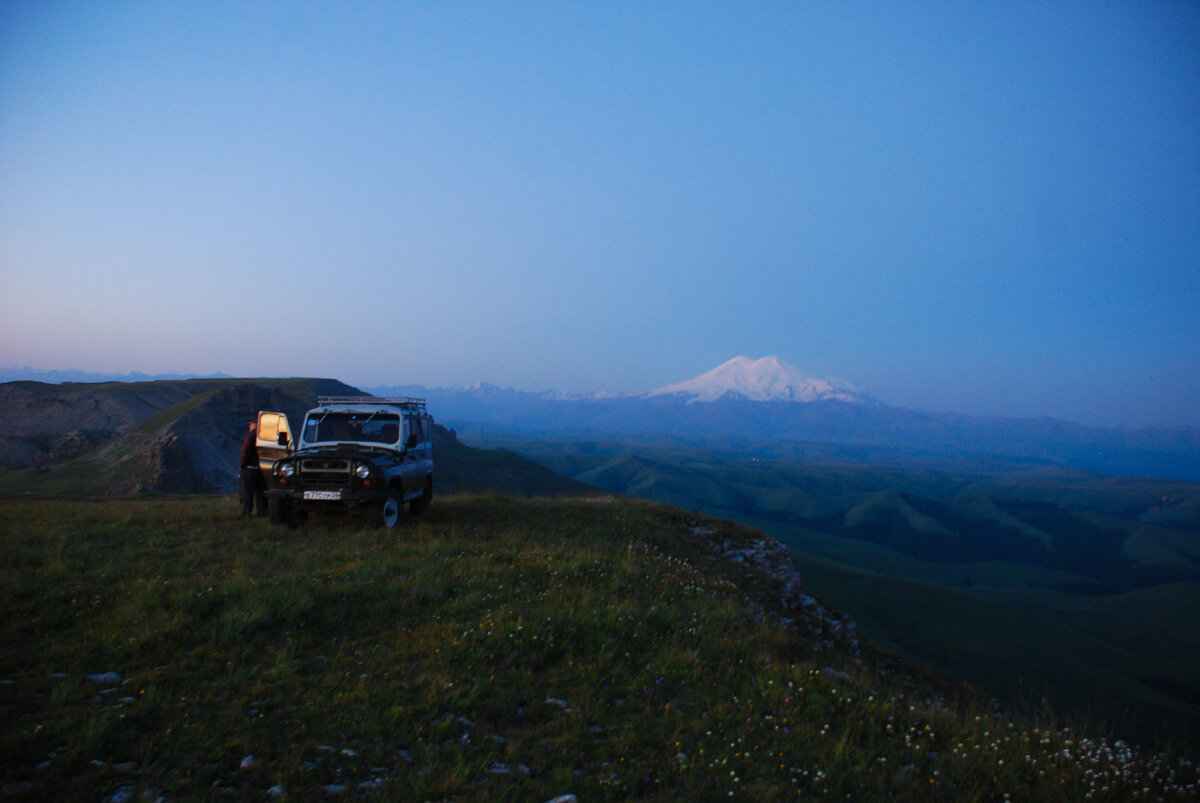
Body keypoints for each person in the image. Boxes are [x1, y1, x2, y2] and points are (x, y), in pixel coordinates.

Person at [238, 420, 266, 517]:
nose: (249, 426)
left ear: (255, 425)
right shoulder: (264, 438)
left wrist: (242, 466)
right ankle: (262, 512)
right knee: (261, 493)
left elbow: (245, 453)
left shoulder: (250, 438)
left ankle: (246, 513)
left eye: (251, 424)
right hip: (261, 469)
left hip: (249, 469)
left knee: (247, 493)